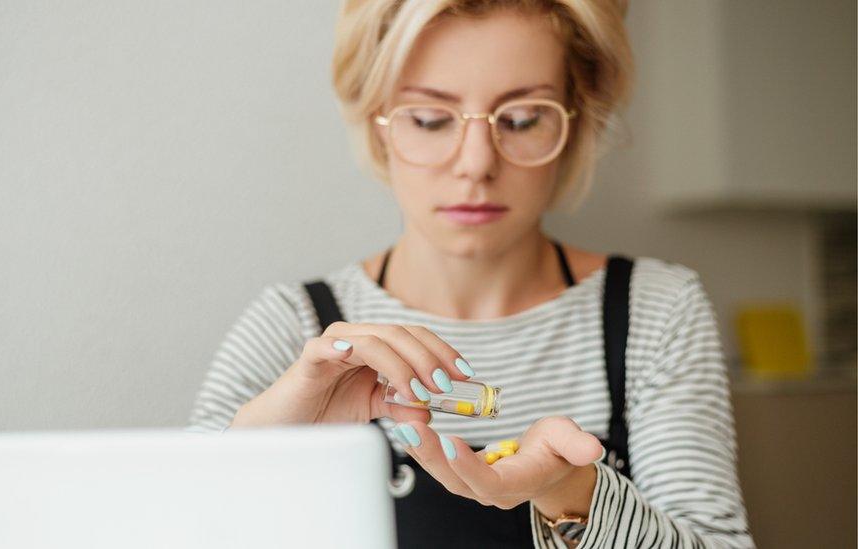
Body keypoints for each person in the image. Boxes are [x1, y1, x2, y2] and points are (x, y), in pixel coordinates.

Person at [189, 1, 755, 547]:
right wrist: (254, 457)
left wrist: (573, 493)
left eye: (522, 118)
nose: (477, 162)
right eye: (432, 119)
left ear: (576, 124)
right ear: (378, 125)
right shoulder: (294, 326)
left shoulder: (656, 310)